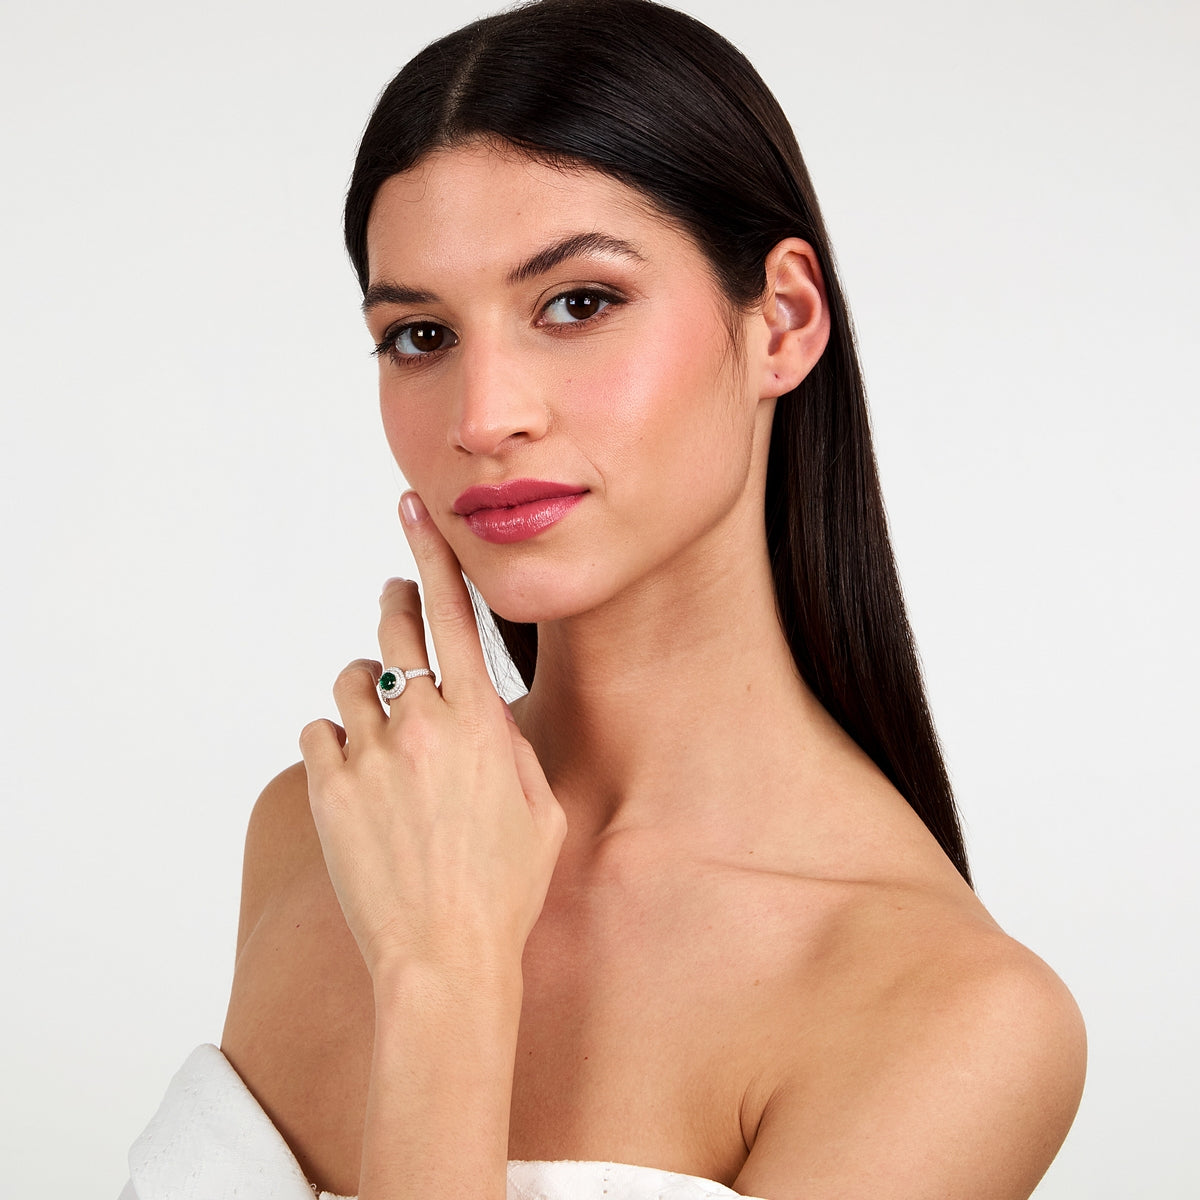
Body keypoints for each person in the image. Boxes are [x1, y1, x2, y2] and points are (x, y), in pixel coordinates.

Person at [121, 1, 1085, 1197]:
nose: (484, 418)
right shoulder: (318, 832)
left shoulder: (956, 1019)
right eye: (419, 334)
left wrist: (445, 980)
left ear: (783, 321)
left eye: (578, 302)